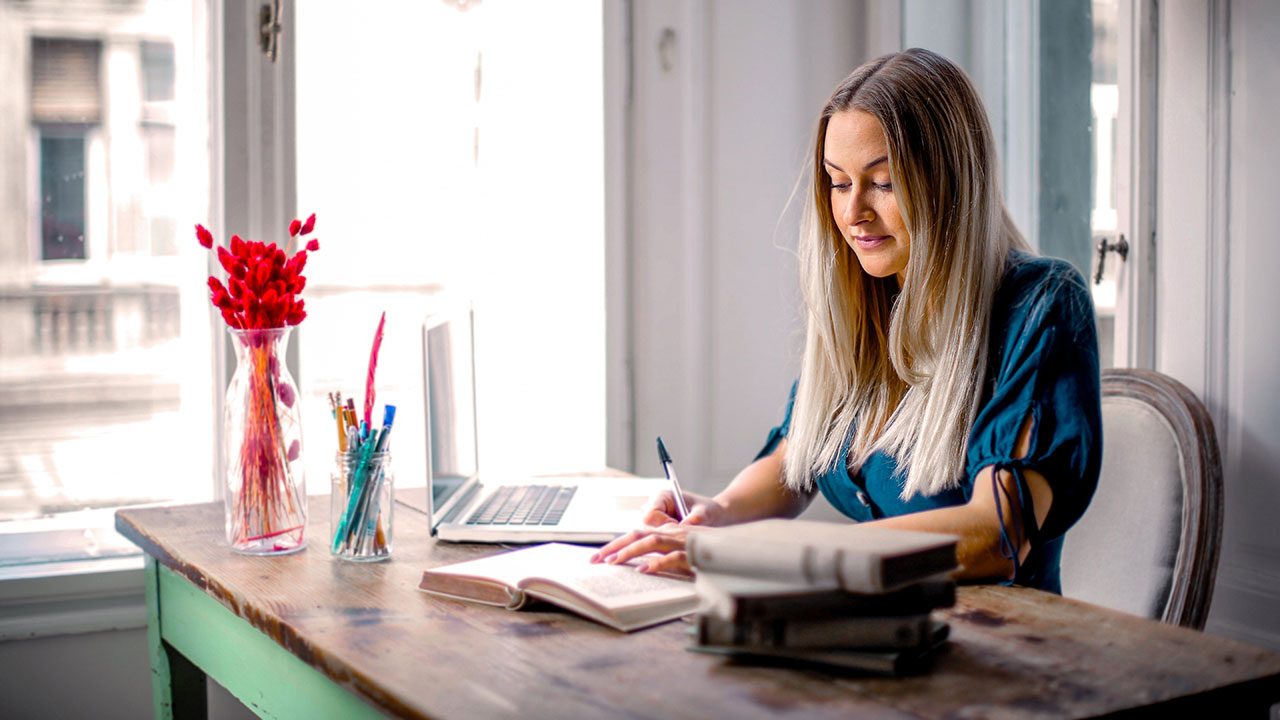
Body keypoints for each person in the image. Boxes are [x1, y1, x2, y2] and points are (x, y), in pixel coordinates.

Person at [591, 48, 1101, 593]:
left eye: (883, 183)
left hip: (997, 647)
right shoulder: (868, 300)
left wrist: (764, 553)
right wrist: (718, 513)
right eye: (838, 182)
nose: (853, 212)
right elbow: (797, 458)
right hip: (866, 631)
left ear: (952, 184)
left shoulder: (1041, 308)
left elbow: (994, 535)